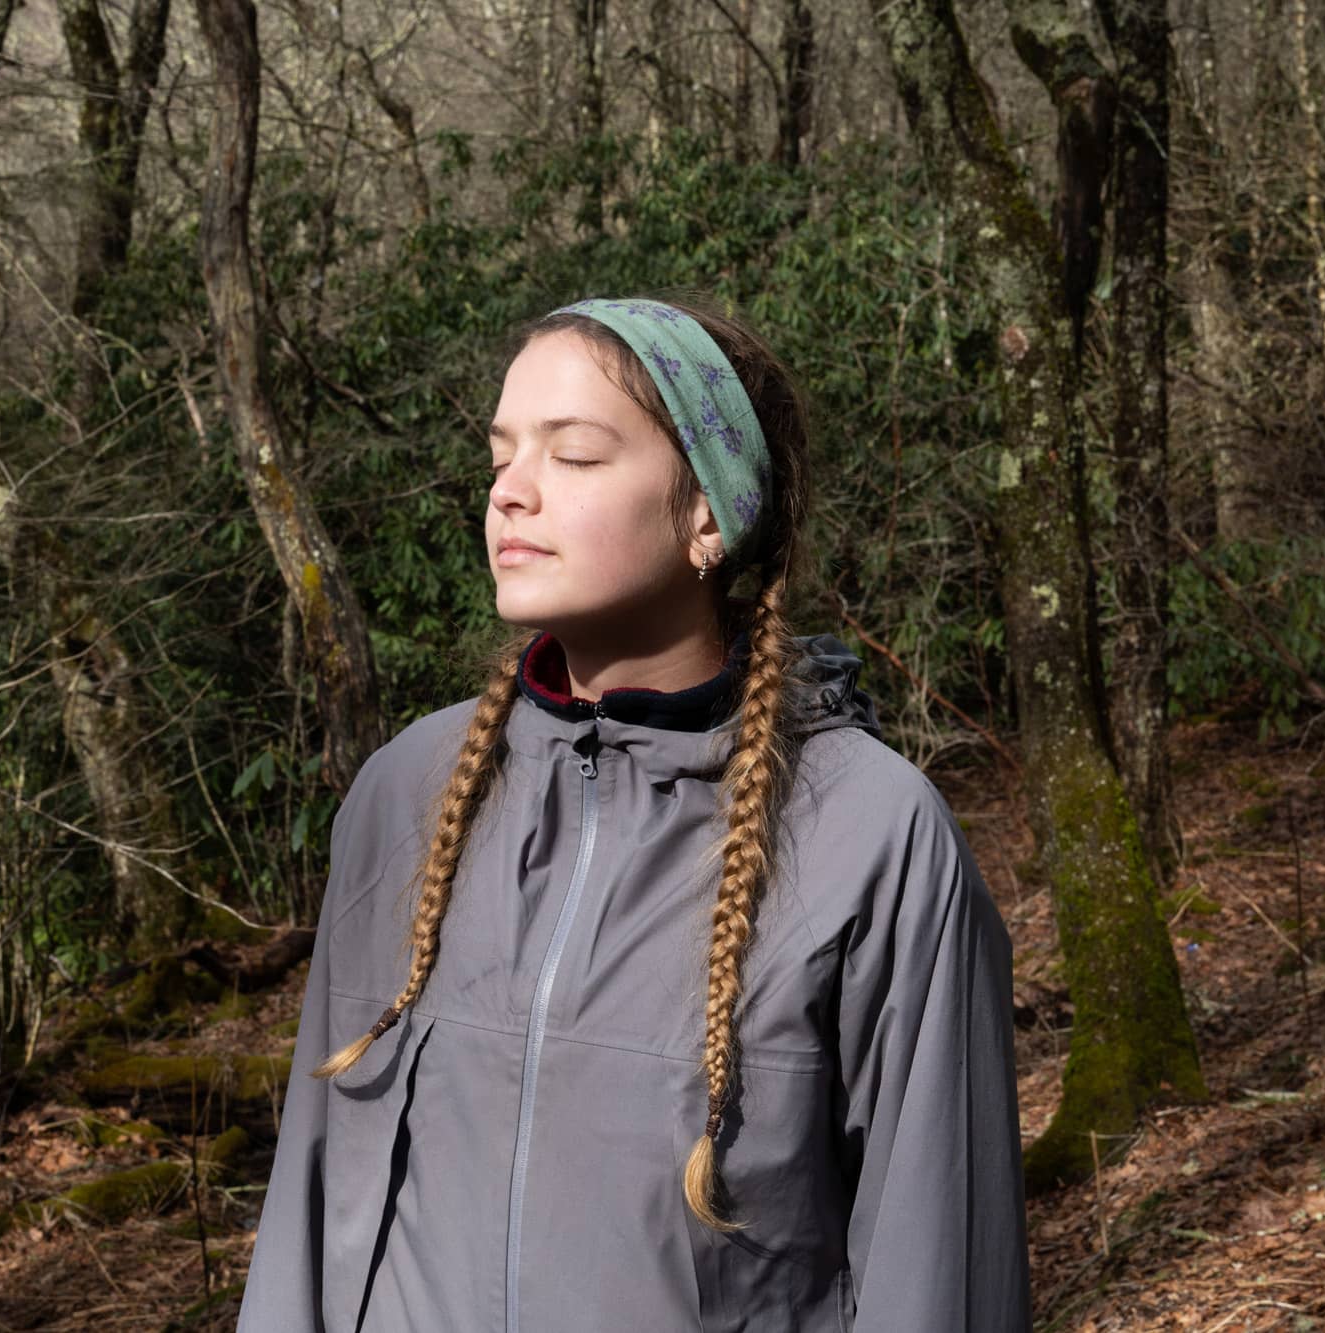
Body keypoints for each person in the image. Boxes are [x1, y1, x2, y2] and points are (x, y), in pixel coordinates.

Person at [235, 295, 1031, 1331]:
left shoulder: (872, 835)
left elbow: (938, 1272)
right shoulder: (405, 794)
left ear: (706, 513)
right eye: (499, 453)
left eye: (570, 456)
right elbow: (309, 1215)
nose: (508, 494)